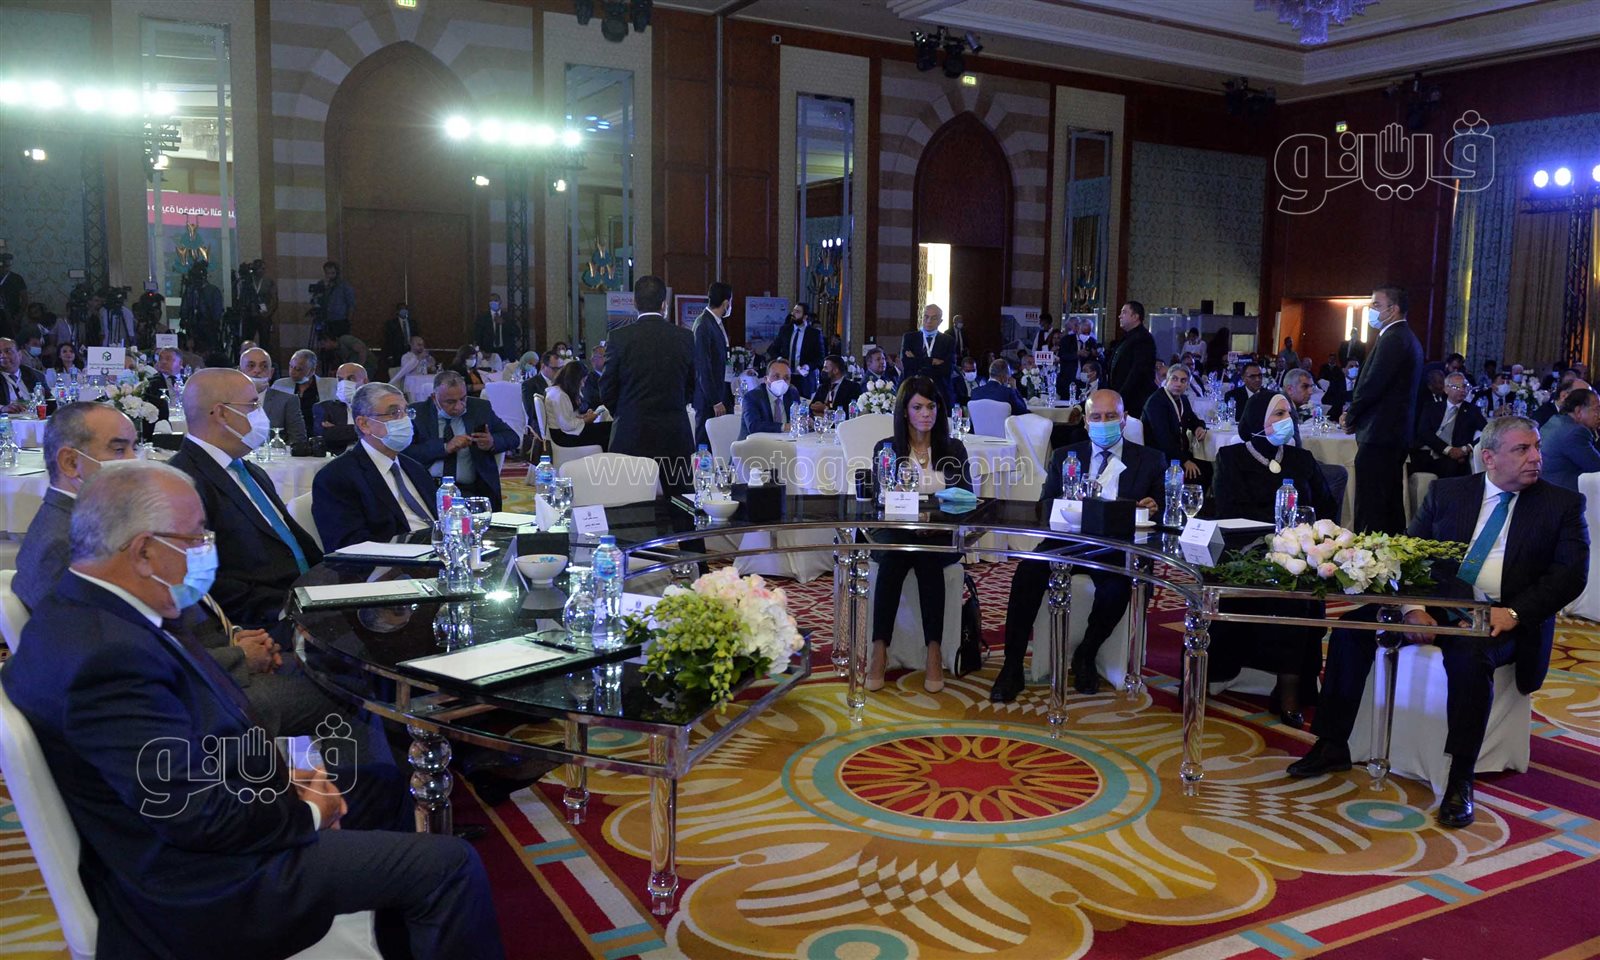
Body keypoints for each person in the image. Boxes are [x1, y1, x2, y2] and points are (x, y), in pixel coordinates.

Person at [1, 461, 502, 959]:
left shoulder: (88, 611)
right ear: (145, 551)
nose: (206, 548)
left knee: (382, 786)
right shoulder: (106, 657)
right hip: (203, 883)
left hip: (208, 819)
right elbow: (193, 812)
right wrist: (306, 811)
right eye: (196, 536)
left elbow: (178, 757)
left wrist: (282, 780)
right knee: (450, 867)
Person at [1291, 416, 1587, 827]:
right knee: (1352, 629)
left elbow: (1570, 574)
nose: (1536, 457)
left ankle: (1460, 777)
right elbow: (1409, 554)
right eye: (1522, 449)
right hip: (1438, 603)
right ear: (1489, 458)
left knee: (1470, 657)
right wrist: (1413, 607)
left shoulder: (1562, 504)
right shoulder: (1448, 493)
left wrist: (1514, 613)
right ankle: (1332, 742)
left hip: (1502, 616)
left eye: (1537, 447)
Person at [991, 388, 1164, 701]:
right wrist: (1066, 504)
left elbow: (1164, 518)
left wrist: (1152, 509)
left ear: (1124, 419)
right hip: (1067, 543)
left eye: (1111, 416)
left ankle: (1087, 653)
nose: (1103, 422)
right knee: (1026, 574)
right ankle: (1012, 666)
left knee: (1117, 589)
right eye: (1096, 417)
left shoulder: (1150, 460)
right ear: (1085, 422)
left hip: (1118, 549)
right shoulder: (1065, 456)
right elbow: (1044, 508)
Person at [1210, 392, 1338, 725]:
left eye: (1289, 414)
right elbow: (1227, 510)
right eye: (1278, 414)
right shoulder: (1231, 457)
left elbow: (1325, 506)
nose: (1287, 420)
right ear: (1257, 420)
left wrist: (1306, 537)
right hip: (1248, 550)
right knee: (1284, 585)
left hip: (1297, 551)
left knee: (1298, 590)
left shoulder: (1301, 458)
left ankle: (1289, 686)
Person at [168, 369, 324, 634]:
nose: (260, 414)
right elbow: (204, 579)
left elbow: (290, 543)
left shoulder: (250, 471)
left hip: (310, 599)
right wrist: (290, 611)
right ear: (222, 413)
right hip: (263, 622)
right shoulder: (182, 482)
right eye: (253, 405)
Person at [866, 376, 973, 694]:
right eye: (917, 407)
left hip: (939, 532)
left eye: (931, 406)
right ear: (904, 411)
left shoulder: (953, 449)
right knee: (896, 556)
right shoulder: (886, 449)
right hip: (896, 532)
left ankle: (934, 651)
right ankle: (879, 650)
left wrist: (935, 518)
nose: (926, 413)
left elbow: (967, 498)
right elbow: (877, 501)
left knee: (927, 556)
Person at [14, 402, 140, 611]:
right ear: (71, 463)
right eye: (119, 450)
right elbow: (79, 628)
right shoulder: (63, 544)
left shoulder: (82, 517)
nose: (134, 460)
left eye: (133, 448)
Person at [599, 275, 697, 497]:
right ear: (664, 304)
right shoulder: (684, 337)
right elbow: (691, 385)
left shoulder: (619, 337)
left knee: (629, 503)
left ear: (634, 302)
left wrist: (626, 411)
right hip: (674, 433)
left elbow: (607, 389)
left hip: (632, 432)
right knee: (680, 502)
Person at [312, 382, 439, 551]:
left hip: (441, 553)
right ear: (364, 424)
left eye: (406, 412)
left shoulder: (415, 468)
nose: (405, 420)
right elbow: (349, 547)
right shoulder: (336, 477)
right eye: (394, 413)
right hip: (395, 561)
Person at [1342, 286, 1423, 533]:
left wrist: (1351, 415)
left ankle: (1368, 553)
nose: (1371, 310)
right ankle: (1390, 550)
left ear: (1393, 309)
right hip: (1391, 434)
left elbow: (1373, 384)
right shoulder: (1402, 336)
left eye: (1376, 305)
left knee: (1372, 506)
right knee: (1388, 503)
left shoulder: (1394, 338)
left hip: (1380, 433)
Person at [406, 371, 519, 511]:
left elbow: (512, 438)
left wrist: (492, 442)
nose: (458, 406)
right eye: (450, 402)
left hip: (469, 490)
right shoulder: (418, 413)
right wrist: (444, 447)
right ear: (434, 397)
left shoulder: (480, 409)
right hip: (427, 488)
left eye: (462, 399)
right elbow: (405, 453)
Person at [1141, 364, 1212, 486]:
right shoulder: (1156, 402)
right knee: (1198, 474)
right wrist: (1185, 461)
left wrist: (1199, 427)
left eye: (1183, 381)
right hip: (1161, 456)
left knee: (1207, 467)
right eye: (1174, 379)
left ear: (1187, 384)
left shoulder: (1183, 399)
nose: (1178, 384)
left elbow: (1193, 419)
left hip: (1179, 452)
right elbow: (1163, 439)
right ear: (1167, 380)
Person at [1411, 371, 1487, 478]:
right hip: (1428, 451)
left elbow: (1488, 432)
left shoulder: (1472, 410)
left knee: (1453, 467)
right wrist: (1448, 450)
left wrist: (1467, 448)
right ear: (1446, 389)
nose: (1462, 390)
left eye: (1464, 386)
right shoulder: (1431, 407)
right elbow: (1424, 432)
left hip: (1455, 457)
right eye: (1456, 387)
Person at [239, 347, 308, 445]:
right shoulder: (225, 400)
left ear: (271, 373)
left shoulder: (287, 401)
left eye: (264, 366)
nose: (257, 370)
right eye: (251, 366)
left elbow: (299, 442)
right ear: (240, 372)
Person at [693, 282, 734, 444]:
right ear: (725, 303)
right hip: (708, 399)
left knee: (719, 444)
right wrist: (715, 400)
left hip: (719, 392)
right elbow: (703, 366)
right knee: (705, 445)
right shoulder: (704, 324)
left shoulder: (715, 322)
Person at [1535, 388, 1600, 491]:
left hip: (1544, 486)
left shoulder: (1556, 420)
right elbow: (1596, 467)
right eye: (1597, 409)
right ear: (1578, 411)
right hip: (1560, 493)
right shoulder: (1575, 432)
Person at [545, 360, 611, 450]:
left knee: (607, 427)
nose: (583, 385)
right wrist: (586, 420)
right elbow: (567, 425)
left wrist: (583, 417)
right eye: (582, 381)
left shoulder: (558, 392)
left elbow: (567, 418)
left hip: (565, 433)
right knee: (609, 430)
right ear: (574, 380)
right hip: (564, 437)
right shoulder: (559, 395)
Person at [899, 304, 956, 400]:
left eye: (934, 318)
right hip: (912, 390)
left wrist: (916, 360)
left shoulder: (948, 341)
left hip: (938, 391)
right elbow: (906, 364)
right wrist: (932, 361)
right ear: (922, 317)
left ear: (940, 321)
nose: (929, 321)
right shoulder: (909, 338)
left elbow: (947, 369)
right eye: (926, 317)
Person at [311, 361, 368, 455]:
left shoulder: (376, 407)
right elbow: (325, 437)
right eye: (340, 379)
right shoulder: (325, 407)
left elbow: (380, 432)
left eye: (350, 378)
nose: (344, 383)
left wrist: (338, 429)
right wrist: (364, 428)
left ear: (365, 382)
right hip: (337, 458)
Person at [769, 302, 825, 397]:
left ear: (805, 316)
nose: (793, 314)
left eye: (798, 312)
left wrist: (808, 366)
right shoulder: (785, 330)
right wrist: (780, 359)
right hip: (785, 377)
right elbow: (772, 349)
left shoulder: (814, 334)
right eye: (793, 311)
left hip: (804, 379)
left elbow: (820, 358)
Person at [739, 359, 793, 439]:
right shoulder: (752, 397)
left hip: (785, 443)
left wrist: (808, 422)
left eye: (786, 378)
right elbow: (754, 426)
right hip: (753, 444)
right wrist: (784, 427)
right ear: (765, 379)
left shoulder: (792, 394)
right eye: (776, 377)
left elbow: (801, 416)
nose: (782, 382)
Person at [275, 348, 322, 433]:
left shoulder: (328, 386)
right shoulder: (279, 385)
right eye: (291, 366)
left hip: (318, 433)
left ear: (312, 370)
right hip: (289, 433)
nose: (292, 372)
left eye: (298, 369)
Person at [235, 258, 277, 349]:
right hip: (249, 315)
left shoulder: (269, 282)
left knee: (265, 341)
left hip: (264, 315)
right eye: (258, 268)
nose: (261, 271)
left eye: (263, 268)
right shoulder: (247, 281)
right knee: (247, 340)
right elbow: (242, 298)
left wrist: (268, 313)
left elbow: (274, 300)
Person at [0, 336, 49, 411]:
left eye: (7, 351)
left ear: (20, 355)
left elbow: (51, 403)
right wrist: (2, 408)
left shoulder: (36, 376)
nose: (3, 355)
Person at [474, 293, 522, 366]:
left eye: (495, 300)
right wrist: (481, 350)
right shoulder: (482, 317)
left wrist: (504, 323)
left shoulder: (508, 316)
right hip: (489, 351)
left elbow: (517, 332)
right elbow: (478, 335)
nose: (493, 303)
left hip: (506, 351)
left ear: (500, 302)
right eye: (491, 301)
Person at [316, 260, 355, 337]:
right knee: (326, 342)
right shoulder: (321, 284)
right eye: (327, 273)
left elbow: (351, 304)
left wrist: (348, 321)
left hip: (340, 320)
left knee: (341, 342)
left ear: (337, 273)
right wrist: (324, 288)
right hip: (325, 320)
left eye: (332, 273)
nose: (330, 276)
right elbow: (318, 301)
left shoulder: (344, 286)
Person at [383, 302, 418, 369]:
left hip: (411, 351)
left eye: (405, 309)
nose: (404, 311)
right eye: (402, 309)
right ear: (397, 311)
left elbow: (416, 337)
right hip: (397, 353)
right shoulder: (391, 324)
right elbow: (388, 340)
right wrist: (390, 355)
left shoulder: (413, 323)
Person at [0, 252, 27, 327]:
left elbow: (25, 299)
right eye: (4, 266)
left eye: (8, 266)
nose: (6, 268)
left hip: (11, 315)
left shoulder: (17, 278)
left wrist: (19, 317)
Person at [582, 344, 606, 413]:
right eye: (603, 356)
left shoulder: (613, 376)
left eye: (607, 356)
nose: (607, 359)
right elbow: (593, 399)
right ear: (593, 360)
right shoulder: (589, 379)